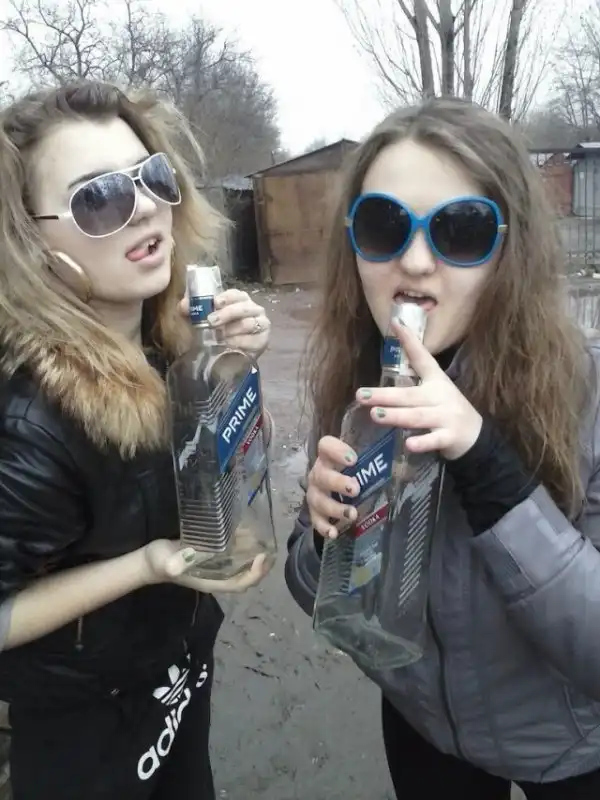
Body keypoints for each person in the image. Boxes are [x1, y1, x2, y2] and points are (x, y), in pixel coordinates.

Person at [285, 96, 600, 799]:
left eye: (460, 231)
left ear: (510, 249)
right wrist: (326, 539)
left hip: (571, 747)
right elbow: (319, 594)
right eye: (384, 225)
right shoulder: (358, 387)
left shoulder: (588, 391)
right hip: (424, 728)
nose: (415, 263)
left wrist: (487, 463)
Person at [0, 80, 274, 800]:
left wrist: (232, 371)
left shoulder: (168, 339)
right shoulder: (30, 419)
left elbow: (221, 468)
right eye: (99, 198)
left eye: (152, 176)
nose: (148, 206)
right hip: (87, 723)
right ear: (30, 240)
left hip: (176, 669)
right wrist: (148, 565)